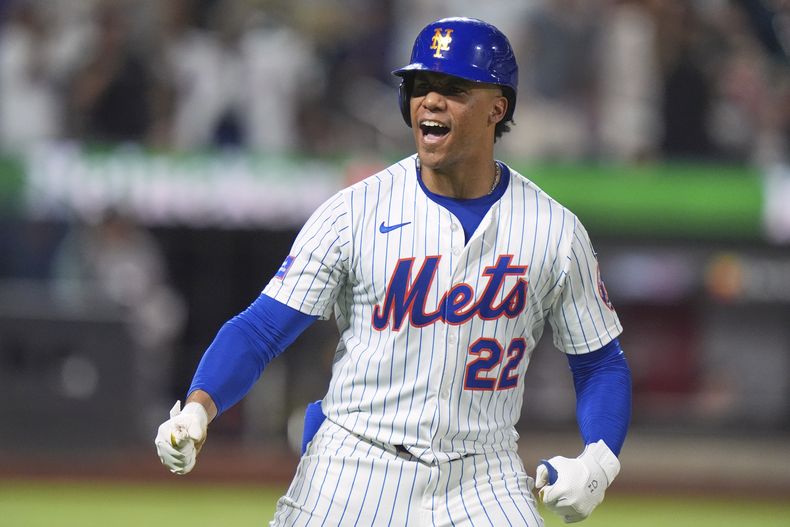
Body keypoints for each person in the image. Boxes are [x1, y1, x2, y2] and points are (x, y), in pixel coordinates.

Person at [155, 17, 631, 525]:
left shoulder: (553, 230)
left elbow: (600, 362)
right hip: (352, 464)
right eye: (419, 87)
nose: (430, 101)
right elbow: (260, 329)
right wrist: (197, 408)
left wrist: (599, 462)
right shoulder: (354, 212)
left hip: (483, 476)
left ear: (499, 107)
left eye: (452, 88)